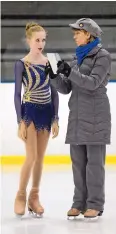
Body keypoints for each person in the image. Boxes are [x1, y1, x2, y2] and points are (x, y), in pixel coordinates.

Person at [47, 18, 111, 219]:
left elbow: (92, 83)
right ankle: (79, 203)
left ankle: (95, 204)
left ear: (88, 34)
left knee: (94, 165)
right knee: (78, 163)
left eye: (77, 32)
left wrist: (69, 72)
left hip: (95, 117)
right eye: (74, 33)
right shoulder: (77, 60)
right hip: (77, 118)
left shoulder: (103, 56)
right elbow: (66, 88)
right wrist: (55, 76)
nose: (74, 36)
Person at [14, 22, 59, 216]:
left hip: (47, 111)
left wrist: (56, 117)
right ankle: (20, 196)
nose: (41, 43)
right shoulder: (21, 64)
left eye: (43, 40)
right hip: (29, 112)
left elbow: (55, 92)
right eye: (37, 40)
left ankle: (34, 197)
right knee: (31, 156)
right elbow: (17, 94)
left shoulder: (50, 62)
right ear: (29, 41)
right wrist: (19, 121)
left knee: (40, 159)